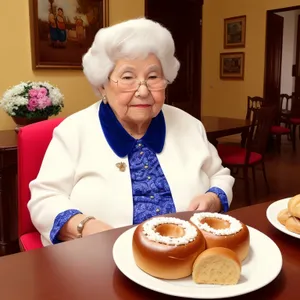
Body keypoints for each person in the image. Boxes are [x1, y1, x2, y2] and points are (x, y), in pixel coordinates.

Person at [28, 18, 234, 247]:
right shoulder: (73, 131)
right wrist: (83, 226)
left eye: (153, 77)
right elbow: (44, 199)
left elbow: (220, 175)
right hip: (101, 260)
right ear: (102, 85)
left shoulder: (190, 125)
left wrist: (214, 198)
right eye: (127, 77)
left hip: (188, 252)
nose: (143, 91)